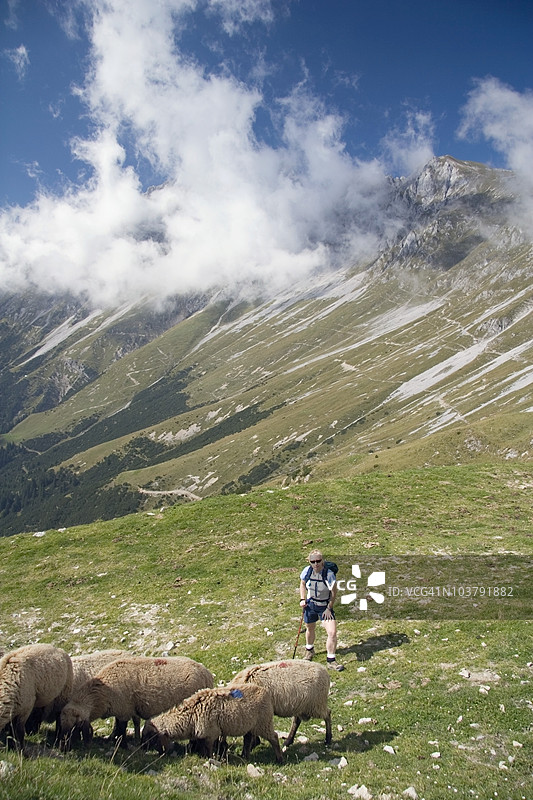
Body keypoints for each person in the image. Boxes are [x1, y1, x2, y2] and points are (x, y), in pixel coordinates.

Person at [299, 549, 344, 671]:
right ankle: (309, 650)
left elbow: (334, 592)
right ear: (309, 562)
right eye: (313, 561)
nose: (316, 564)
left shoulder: (329, 574)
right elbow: (302, 584)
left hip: (324, 606)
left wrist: (329, 608)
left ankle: (331, 660)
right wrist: (302, 599)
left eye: (318, 561)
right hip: (310, 605)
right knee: (310, 628)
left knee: (332, 632)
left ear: (322, 561)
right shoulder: (307, 571)